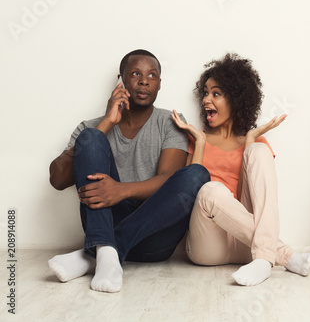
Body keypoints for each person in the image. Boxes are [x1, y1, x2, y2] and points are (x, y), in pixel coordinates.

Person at [48, 49, 210, 293]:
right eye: (135, 74)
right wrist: (106, 123)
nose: (144, 80)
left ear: (159, 84)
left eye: (152, 75)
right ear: (120, 80)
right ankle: (105, 251)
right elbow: (58, 179)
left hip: (155, 235)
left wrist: (120, 190)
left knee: (197, 174)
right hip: (107, 222)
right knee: (91, 138)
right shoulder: (90, 127)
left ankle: (94, 253)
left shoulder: (170, 121)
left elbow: (169, 179)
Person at [171, 53, 310, 286]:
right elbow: (187, 196)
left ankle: (263, 259)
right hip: (207, 246)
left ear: (235, 100)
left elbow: (242, 200)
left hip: (247, 244)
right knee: (210, 190)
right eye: (206, 93)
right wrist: (198, 143)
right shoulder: (198, 139)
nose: (207, 99)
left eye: (216, 93)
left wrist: (249, 141)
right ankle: (284, 256)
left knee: (259, 151)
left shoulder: (255, 144)